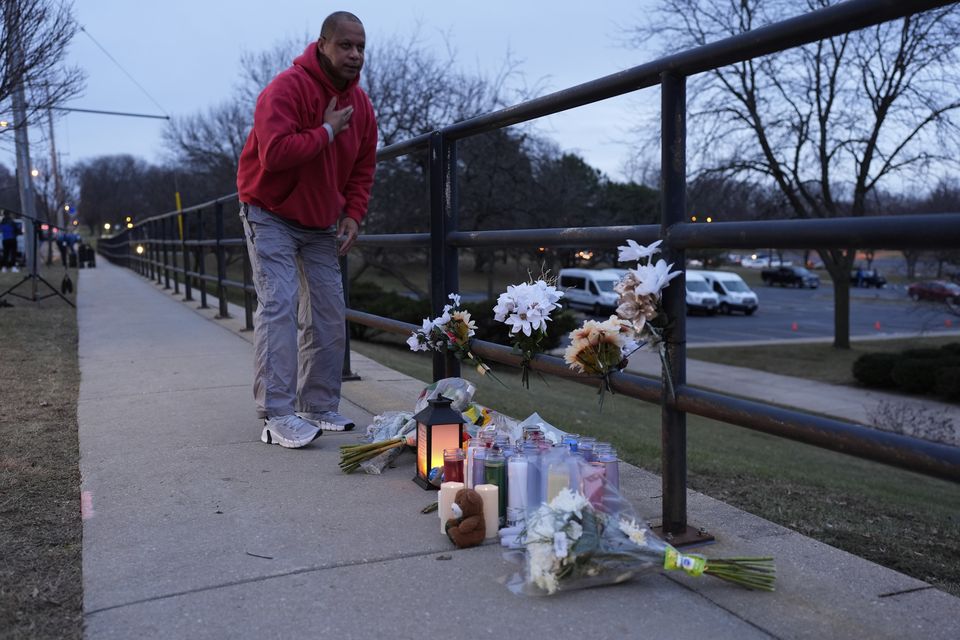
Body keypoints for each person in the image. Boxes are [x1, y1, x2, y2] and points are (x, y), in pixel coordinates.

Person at [236, 11, 377, 449]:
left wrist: (353, 213)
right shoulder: (286, 89)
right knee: (279, 303)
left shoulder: (363, 107)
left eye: (361, 47)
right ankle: (276, 414)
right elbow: (275, 154)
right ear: (322, 45)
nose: (354, 55)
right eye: (345, 45)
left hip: (319, 224)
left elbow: (363, 168)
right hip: (269, 211)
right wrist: (327, 130)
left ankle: (317, 405)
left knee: (329, 311)